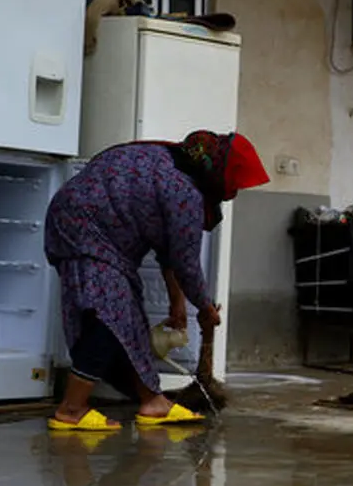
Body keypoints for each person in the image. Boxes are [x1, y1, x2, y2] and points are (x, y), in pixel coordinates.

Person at [44, 130, 270, 431]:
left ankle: (153, 402)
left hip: (74, 217)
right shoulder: (185, 194)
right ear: (221, 176)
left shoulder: (172, 159)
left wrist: (178, 304)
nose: (235, 193)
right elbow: (186, 264)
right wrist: (204, 308)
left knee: (127, 319)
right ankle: (71, 410)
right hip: (88, 229)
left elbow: (169, 254)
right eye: (235, 185)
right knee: (108, 317)